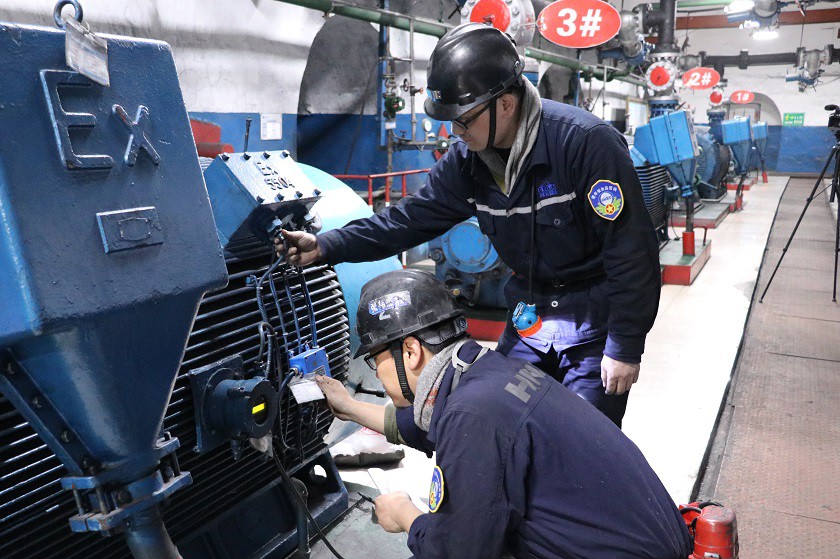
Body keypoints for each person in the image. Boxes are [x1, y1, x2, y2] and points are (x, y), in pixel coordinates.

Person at [281, 22, 661, 427]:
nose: (455, 132)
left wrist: (625, 345)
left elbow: (630, 249)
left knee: (582, 440)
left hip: (592, 323)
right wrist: (326, 246)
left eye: (463, 120)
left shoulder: (584, 143)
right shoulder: (467, 161)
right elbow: (408, 220)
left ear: (506, 104)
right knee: (497, 423)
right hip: (529, 318)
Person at [313, 269, 696, 559]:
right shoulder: (492, 374)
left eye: (378, 363)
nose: (378, 375)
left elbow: (460, 556)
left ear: (410, 352)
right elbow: (431, 424)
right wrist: (350, 406)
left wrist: (406, 516)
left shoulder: (472, 414)